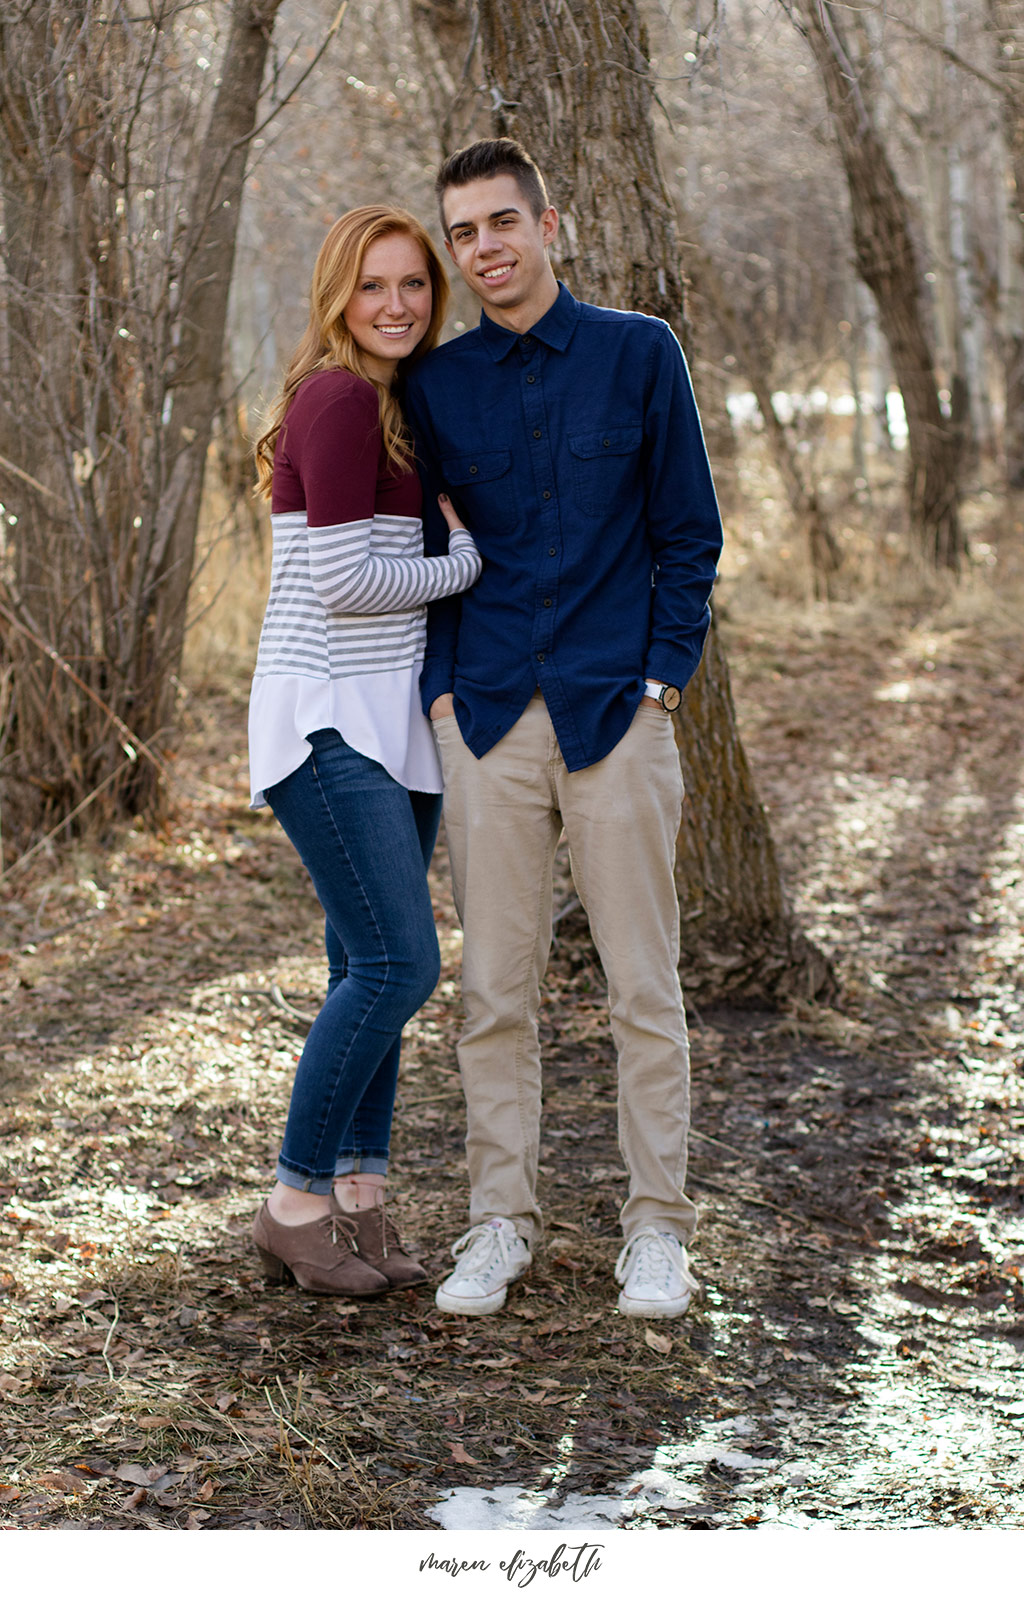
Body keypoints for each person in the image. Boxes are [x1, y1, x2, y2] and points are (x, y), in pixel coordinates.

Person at [402, 139, 723, 1320]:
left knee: (644, 987)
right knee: (493, 990)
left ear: (551, 225)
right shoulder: (434, 387)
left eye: (502, 222)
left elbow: (690, 532)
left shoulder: (641, 354)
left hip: (616, 714)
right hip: (486, 721)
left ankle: (658, 1231)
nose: (484, 248)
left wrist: (662, 681)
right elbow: (431, 561)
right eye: (465, 233)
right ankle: (500, 1221)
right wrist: (441, 694)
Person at [248, 205, 481, 1297]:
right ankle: (294, 1204)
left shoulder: (395, 405)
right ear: (338, 297)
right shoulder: (338, 398)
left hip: (386, 720)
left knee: (364, 965)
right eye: (374, 286)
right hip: (325, 715)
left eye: (415, 285)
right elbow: (342, 586)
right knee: (400, 963)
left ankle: (359, 1200)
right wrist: (462, 563)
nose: (397, 305)